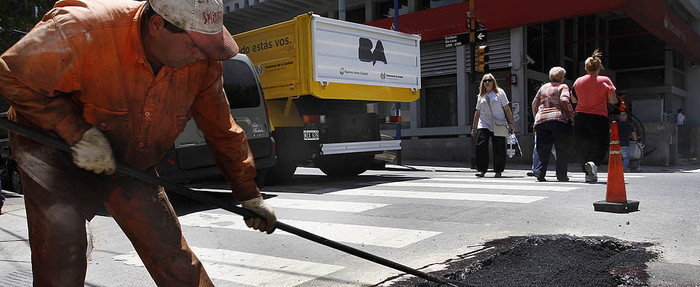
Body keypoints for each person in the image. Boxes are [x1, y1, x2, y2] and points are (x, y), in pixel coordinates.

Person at [0, 0, 277, 285]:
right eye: (194, 45)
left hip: (129, 160)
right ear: (157, 26)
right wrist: (77, 133)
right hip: (54, 153)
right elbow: (12, 74)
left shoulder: (203, 64)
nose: (202, 55)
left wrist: (249, 195)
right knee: (63, 256)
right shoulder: (80, 28)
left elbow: (222, 129)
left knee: (170, 252)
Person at [572, 49, 618, 183]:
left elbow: (574, 100)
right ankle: (594, 163)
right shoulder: (605, 80)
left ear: (586, 68)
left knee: (582, 144)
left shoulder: (578, 81)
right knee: (601, 143)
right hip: (599, 116)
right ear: (599, 67)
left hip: (580, 116)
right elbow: (612, 100)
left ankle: (588, 172)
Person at [531, 67, 574, 182]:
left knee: (542, 148)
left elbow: (534, 103)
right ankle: (561, 175)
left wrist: (536, 118)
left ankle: (539, 171)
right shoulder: (562, 86)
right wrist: (571, 115)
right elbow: (564, 100)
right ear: (561, 78)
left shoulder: (543, 87)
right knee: (561, 149)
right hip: (558, 120)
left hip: (542, 120)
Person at [471, 74, 515, 178]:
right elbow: (477, 112)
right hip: (484, 123)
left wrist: (511, 123)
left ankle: (498, 170)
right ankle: (481, 170)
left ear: (493, 82)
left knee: (499, 146)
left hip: (498, 123)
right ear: (483, 83)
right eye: (485, 81)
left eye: (489, 80)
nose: (487, 82)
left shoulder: (499, 93)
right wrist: (474, 127)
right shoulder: (481, 95)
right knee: (481, 145)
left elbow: (507, 108)